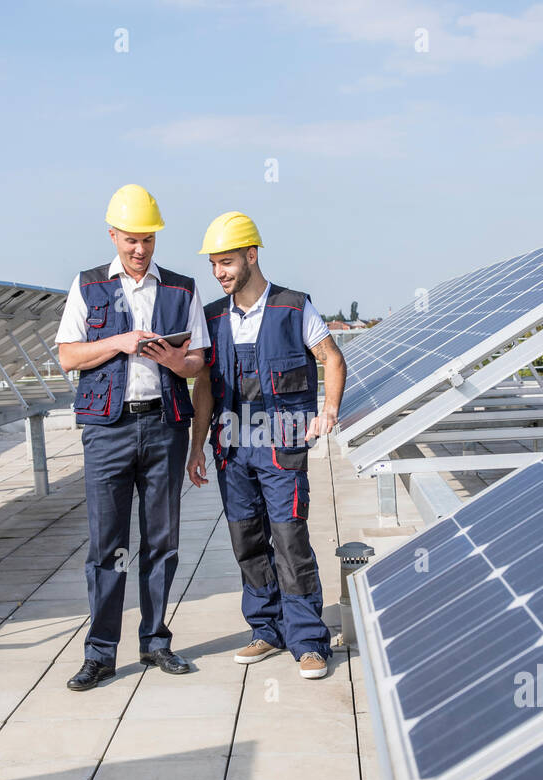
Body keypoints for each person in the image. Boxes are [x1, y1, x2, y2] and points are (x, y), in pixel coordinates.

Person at [56, 184, 209, 691]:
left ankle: (156, 642)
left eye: (147, 240)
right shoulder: (87, 286)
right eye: (130, 240)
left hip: (165, 425)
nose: (139, 249)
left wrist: (171, 359)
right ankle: (100, 653)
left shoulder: (183, 290)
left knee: (162, 542)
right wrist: (120, 342)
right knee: (107, 544)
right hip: (108, 431)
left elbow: (198, 361)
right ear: (113, 235)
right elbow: (68, 356)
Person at [186, 212, 347, 679]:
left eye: (228, 262)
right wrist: (198, 447)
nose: (219, 272)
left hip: (282, 445)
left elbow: (331, 359)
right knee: (247, 540)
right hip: (231, 447)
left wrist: (328, 411)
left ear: (252, 256)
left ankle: (309, 640)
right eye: (214, 264)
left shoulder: (294, 308)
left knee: (289, 539)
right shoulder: (212, 317)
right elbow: (205, 390)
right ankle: (266, 628)